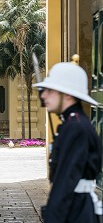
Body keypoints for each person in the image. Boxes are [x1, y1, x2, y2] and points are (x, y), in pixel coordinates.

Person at [33, 62, 102, 223]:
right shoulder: (71, 124)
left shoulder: (76, 128)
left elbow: (65, 182)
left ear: (68, 95)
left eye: (50, 91)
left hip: (76, 211)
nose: (43, 96)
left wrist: (52, 218)